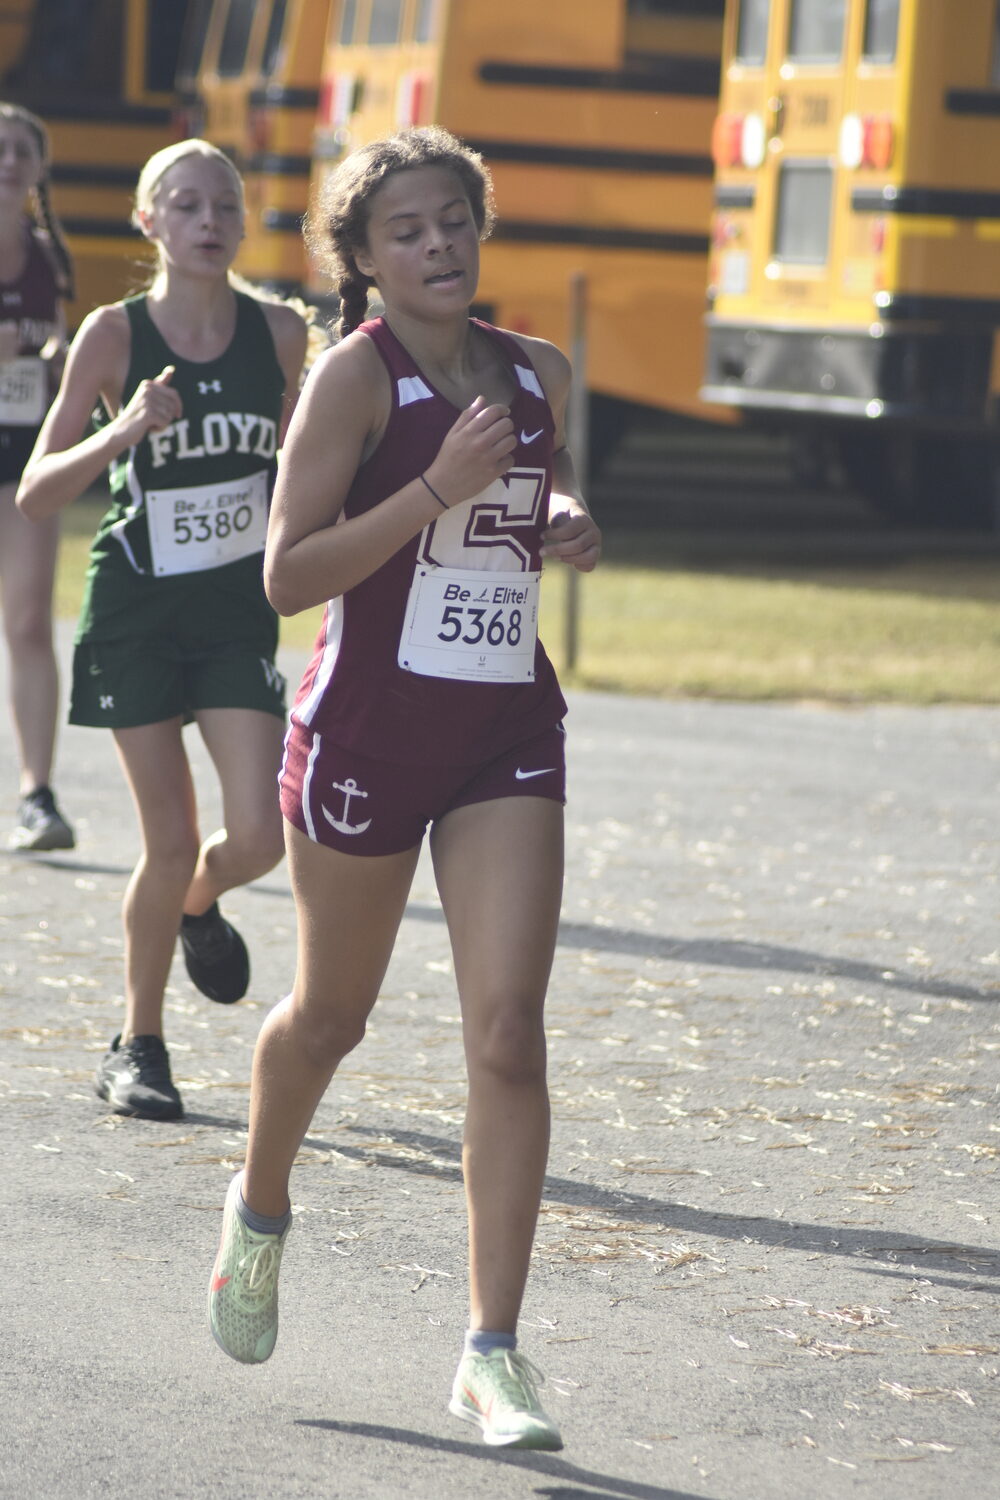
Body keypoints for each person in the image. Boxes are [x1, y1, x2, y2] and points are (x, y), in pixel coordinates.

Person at [206, 126, 601, 1451]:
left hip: (502, 736)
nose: (439, 247)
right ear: (364, 262)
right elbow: (288, 576)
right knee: (330, 1018)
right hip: (368, 734)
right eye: (409, 232)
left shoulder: (538, 370)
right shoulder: (351, 381)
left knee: (507, 1030)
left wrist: (558, 523)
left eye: (455, 223)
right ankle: (260, 1211)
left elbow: (525, 512)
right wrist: (435, 486)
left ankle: (493, 1352)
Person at [16, 139, 308, 1121]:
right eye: (185, 204)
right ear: (150, 222)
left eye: (224, 202)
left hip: (232, 616)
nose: (208, 220)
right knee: (171, 836)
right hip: (136, 610)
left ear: (243, 216)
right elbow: (36, 490)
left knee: (261, 835)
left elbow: (320, 464)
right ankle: (137, 1042)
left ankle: (195, 905)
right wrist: (123, 429)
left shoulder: (279, 335)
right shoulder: (113, 333)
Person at [0, 103, 76, 851]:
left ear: (39, 168)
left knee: (27, 623)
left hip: (24, 464)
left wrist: (49, 354)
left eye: (23, 149)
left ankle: (37, 796)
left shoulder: (49, 255)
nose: (9, 160)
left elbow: (60, 344)